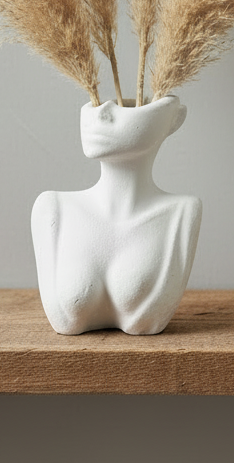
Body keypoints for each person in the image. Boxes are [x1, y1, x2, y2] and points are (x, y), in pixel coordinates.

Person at [31, 95, 201, 335]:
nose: (102, 112)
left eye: (121, 107)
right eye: (97, 104)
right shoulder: (52, 209)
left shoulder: (183, 214)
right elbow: (62, 322)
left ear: (174, 120)